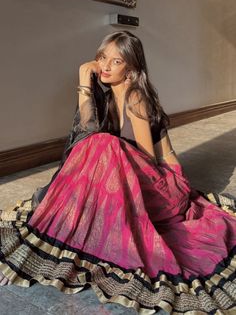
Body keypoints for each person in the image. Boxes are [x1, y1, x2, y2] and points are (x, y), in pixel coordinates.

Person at [0, 31, 236, 314]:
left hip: (165, 186)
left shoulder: (136, 97)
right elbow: (84, 133)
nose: (106, 66)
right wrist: (83, 83)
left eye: (116, 61)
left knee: (104, 144)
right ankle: (61, 227)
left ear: (132, 69)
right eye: (102, 58)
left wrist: (111, 153)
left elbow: (149, 161)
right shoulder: (107, 96)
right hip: (139, 177)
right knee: (97, 145)